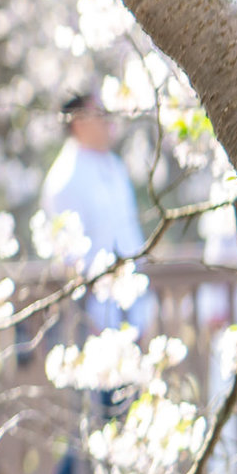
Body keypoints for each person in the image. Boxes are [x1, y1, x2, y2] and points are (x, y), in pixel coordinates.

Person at [40, 91, 150, 333]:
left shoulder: (115, 165)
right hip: (96, 307)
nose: (108, 121)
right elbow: (69, 255)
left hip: (135, 294)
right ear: (79, 122)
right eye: (99, 114)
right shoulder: (64, 178)